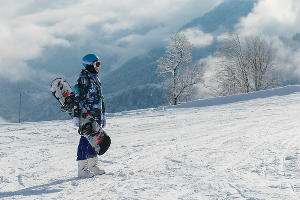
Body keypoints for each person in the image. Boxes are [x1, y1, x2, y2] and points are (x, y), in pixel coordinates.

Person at [72, 53, 106, 178]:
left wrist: (103, 116)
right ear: (89, 65)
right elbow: (78, 98)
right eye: (97, 64)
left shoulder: (96, 78)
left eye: (99, 64)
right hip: (86, 116)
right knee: (85, 140)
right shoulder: (84, 79)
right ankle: (82, 169)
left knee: (95, 140)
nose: (98, 67)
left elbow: (100, 99)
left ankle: (92, 165)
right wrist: (76, 116)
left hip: (96, 116)